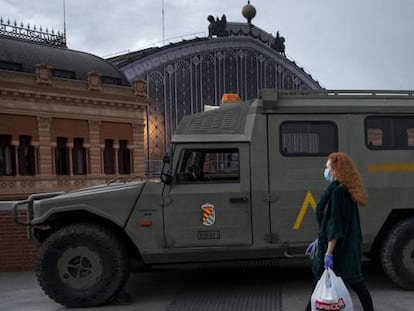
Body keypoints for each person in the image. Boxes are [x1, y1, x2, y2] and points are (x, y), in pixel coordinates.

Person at [305, 152, 375, 311]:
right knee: (357, 283)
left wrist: (328, 253)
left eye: (328, 167)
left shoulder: (337, 193)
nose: (326, 170)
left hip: (339, 251)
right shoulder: (345, 190)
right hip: (348, 248)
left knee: (319, 285)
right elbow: (336, 224)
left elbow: (335, 226)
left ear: (336, 170)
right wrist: (319, 240)